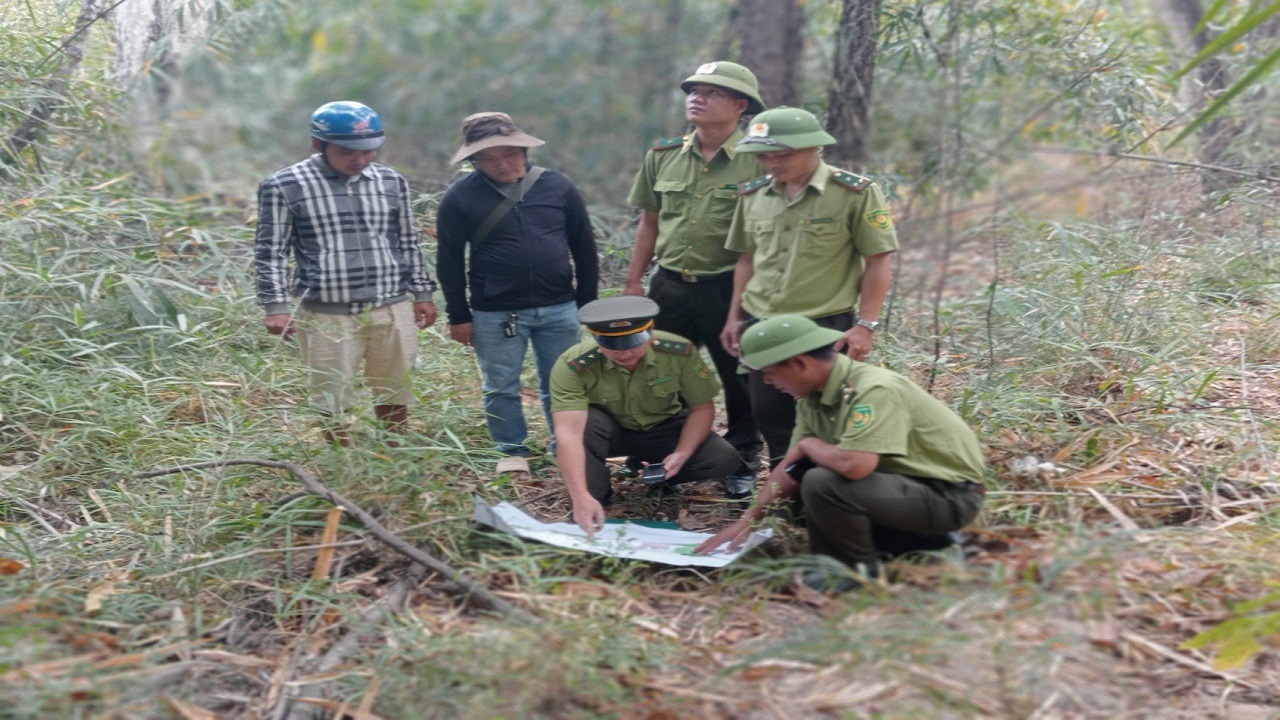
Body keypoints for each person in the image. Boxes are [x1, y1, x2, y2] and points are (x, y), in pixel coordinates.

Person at [696, 314, 986, 591]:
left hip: (948, 497)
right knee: (793, 496)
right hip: (898, 489)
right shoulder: (814, 398)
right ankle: (918, 543)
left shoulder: (873, 390)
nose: (769, 383)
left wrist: (809, 446)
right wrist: (749, 520)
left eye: (769, 374)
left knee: (822, 483)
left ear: (799, 363)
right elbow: (789, 467)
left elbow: (855, 466)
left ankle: (850, 569)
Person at [719, 106, 898, 466]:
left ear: (815, 148)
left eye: (782, 154)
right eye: (764, 155)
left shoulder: (853, 193)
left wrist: (865, 324)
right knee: (769, 414)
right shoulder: (753, 195)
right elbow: (746, 259)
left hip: (823, 326)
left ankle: (821, 492)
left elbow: (878, 259)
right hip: (762, 324)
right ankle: (786, 491)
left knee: (825, 415)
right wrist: (734, 315)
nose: (772, 163)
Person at [621, 60, 768, 499]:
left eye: (712, 92)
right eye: (693, 90)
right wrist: (633, 283)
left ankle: (741, 460)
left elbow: (759, 242)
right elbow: (649, 222)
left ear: (741, 105)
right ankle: (668, 458)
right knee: (662, 374)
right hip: (669, 286)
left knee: (740, 376)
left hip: (728, 287)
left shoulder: (757, 162)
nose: (697, 97)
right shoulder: (663, 155)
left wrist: (745, 305)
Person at [254, 100, 438, 444]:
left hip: (390, 304)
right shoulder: (285, 185)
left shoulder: (390, 181)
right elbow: (270, 250)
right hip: (326, 311)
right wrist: (275, 306)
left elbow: (408, 241)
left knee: (395, 388)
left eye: (370, 150)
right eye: (347, 151)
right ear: (317, 145)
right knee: (330, 395)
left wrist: (422, 294)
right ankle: (343, 457)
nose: (360, 159)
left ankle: (393, 451)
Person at [436, 112, 599, 476]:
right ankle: (511, 451)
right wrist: (458, 315)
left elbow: (584, 248)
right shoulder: (460, 198)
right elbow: (448, 260)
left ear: (524, 150)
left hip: (559, 306)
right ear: (474, 161)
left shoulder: (557, 186)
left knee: (562, 382)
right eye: (489, 158)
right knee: (500, 386)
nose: (502, 164)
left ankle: (566, 447)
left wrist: (587, 302)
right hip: (495, 312)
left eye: (510, 153)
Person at [550, 296, 741, 535]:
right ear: (595, 338)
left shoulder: (678, 351)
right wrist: (580, 497)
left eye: (633, 342)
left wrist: (682, 453)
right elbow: (568, 433)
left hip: (663, 426)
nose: (624, 353)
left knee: (723, 459)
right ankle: (597, 497)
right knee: (584, 423)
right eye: (612, 345)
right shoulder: (573, 365)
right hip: (610, 432)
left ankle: (659, 474)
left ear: (650, 332)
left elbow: (702, 408)